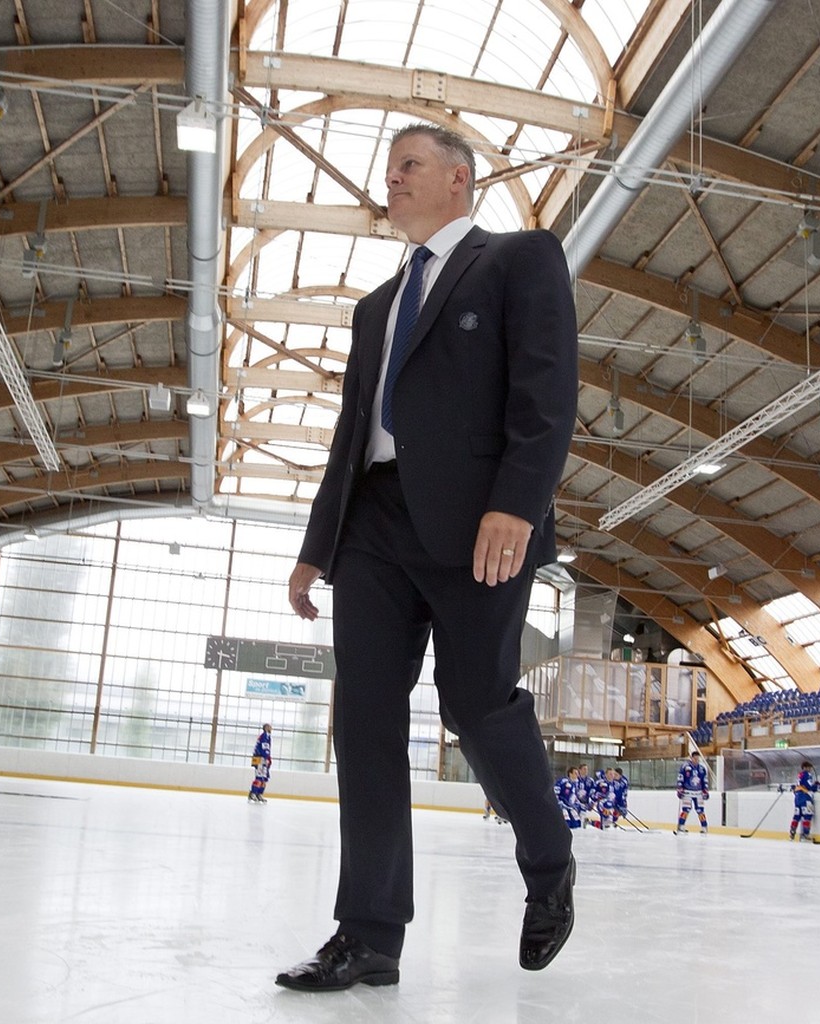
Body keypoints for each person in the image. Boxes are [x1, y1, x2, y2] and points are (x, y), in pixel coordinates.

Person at [278, 122, 579, 991]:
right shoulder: (377, 307)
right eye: (389, 170)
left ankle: (548, 857)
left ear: (460, 178)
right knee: (365, 717)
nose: (392, 181)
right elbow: (349, 436)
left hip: (480, 520)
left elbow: (548, 389)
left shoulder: (520, 258)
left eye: (407, 166)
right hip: (372, 523)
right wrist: (316, 547)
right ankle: (369, 934)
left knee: (475, 702)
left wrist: (518, 503)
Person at [675, 750, 710, 834]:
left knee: (700, 810)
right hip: (687, 792)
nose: (696, 760)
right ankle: (681, 826)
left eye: (698, 758)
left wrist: (705, 789)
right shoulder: (685, 766)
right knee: (686, 809)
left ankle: (704, 827)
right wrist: (680, 788)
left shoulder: (701, 768)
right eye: (695, 758)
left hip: (698, 793)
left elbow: (704, 779)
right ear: (691, 758)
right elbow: (680, 777)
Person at [790, 760, 820, 841]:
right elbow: (809, 786)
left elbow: (799, 785)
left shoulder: (800, 775)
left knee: (797, 815)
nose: (810, 769)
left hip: (797, 798)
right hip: (805, 797)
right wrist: (816, 786)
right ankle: (805, 834)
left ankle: (792, 832)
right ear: (805, 767)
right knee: (807, 816)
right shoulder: (807, 774)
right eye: (809, 768)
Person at [249, 723, 272, 804]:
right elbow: (264, 747)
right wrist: (266, 757)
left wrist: (268, 758)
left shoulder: (266, 736)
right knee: (259, 777)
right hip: (260, 759)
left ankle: (259, 794)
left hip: (263, 758)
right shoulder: (265, 736)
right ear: (266, 728)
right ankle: (253, 793)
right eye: (269, 727)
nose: (271, 728)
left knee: (264, 778)